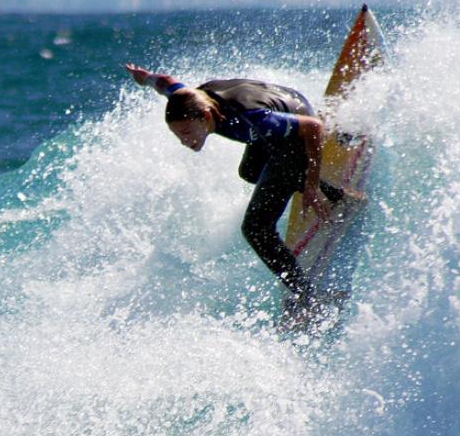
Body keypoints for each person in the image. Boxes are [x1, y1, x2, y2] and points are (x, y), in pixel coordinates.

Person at [125, 63, 350, 307]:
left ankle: (308, 297)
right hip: (278, 109)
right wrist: (145, 78)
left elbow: (313, 128)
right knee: (251, 172)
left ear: (206, 117)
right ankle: (330, 192)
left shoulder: (251, 119)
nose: (184, 141)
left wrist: (312, 184)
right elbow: (166, 82)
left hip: (295, 128)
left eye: (187, 132)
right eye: (178, 135)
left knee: (256, 229)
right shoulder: (188, 100)